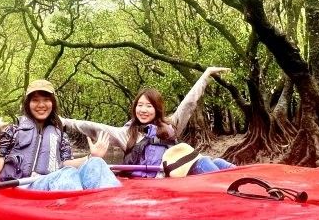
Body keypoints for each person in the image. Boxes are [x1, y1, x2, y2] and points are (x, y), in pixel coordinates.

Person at [61, 67, 235, 177]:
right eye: (140, 105)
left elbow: (189, 103)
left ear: (157, 109)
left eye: (149, 106)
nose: (143, 110)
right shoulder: (126, 133)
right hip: (154, 180)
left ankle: (251, 182)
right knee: (203, 162)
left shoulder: (171, 125)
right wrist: (63, 121)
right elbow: (90, 126)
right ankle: (233, 195)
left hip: (175, 173)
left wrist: (206, 75)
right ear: (135, 108)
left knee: (219, 162)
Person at [0, 79, 120, 191]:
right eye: (35, 100)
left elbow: (65, 163)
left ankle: (110, 208)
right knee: (67, 174)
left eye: (46, 99)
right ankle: (75, 214)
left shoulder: (60, 134)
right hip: (22, 186)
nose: (41, 105)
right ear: (28, 103)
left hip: (52, 182)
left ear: (52, 103)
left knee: (97, 163)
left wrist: (91, 157)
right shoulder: (13, 130)